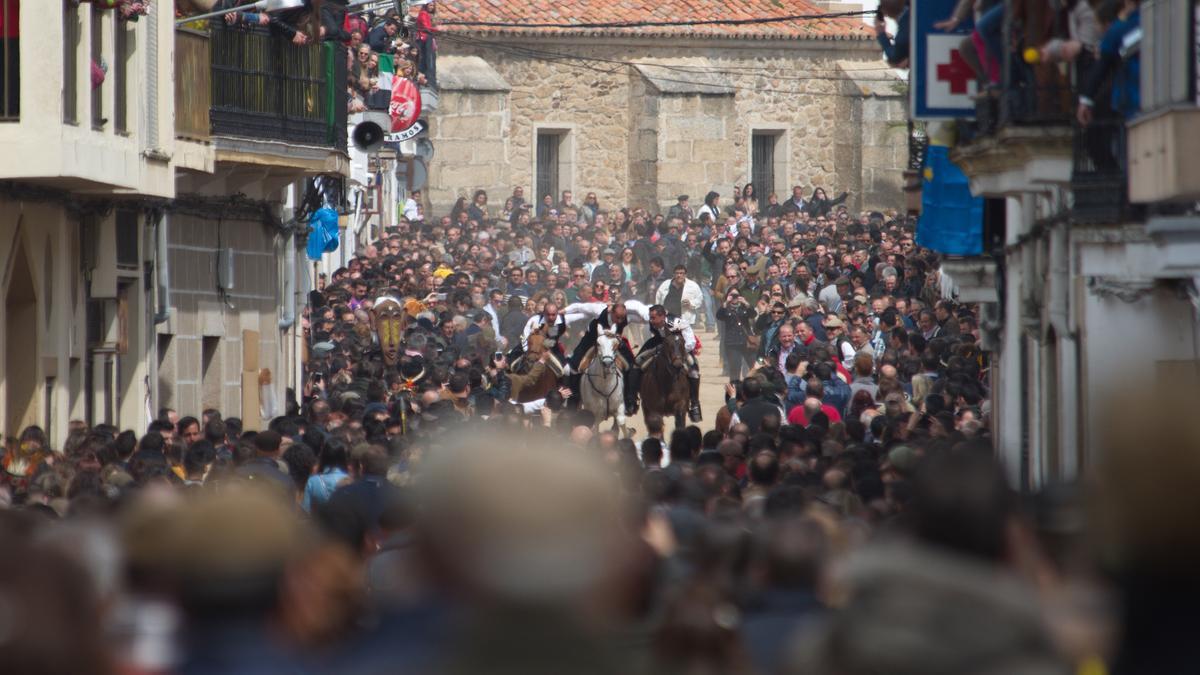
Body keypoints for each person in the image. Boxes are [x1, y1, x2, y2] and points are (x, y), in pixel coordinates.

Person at [624, 303, 702, 421]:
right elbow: (635, 313)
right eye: (650, 317)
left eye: (653, 318)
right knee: (636, 363)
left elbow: (691, 342)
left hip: (679, 345)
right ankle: (632, 399)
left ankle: (694, 404)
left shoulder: (678, 323)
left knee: (693, 370)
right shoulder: (653, 319)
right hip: (659, 343)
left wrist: (678, 352)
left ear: (662, 316)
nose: (651, 320)